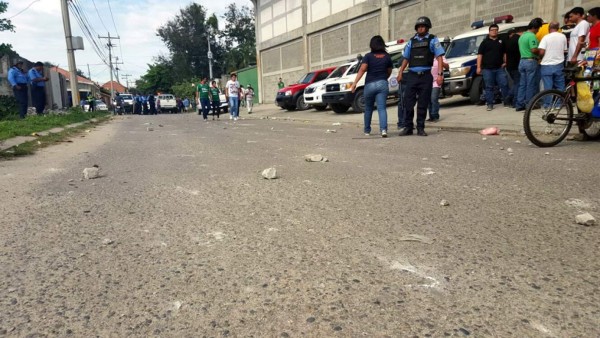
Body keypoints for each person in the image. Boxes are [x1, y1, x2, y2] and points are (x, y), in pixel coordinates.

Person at [396, 16, 445, 136]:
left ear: (427, 28)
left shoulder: (433, 40)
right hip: (412, 76)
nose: (421, 28)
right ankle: (408, 127)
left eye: (423, 26)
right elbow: (406, 58)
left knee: (423, 103)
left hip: (426, 76)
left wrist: (440, 74)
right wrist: (400, 72)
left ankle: (420, 128)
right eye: (419, 27)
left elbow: (439, 58)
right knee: (408, 103)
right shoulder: (411, 41)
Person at [351, 35, 392, 137]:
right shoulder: (387, 56)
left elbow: (362, 69)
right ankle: (383, 130)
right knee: (381, 108)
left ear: (371, 45)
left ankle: (367, 130)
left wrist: (355, 83)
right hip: (382, 83)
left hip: (369, 84)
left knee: (368, 108)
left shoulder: (368, 56)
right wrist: (384, 78)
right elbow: (389, 71)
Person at [477, 24, 510, 111]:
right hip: (487, 69)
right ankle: (490, 104)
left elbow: (504, 53)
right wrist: (478, 67)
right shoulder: (484, 42)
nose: (494, 31)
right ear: (489, 31)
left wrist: (505, 62)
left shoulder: (501, 41)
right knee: (489, 87)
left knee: (504, 84)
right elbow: (480, 55)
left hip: (499, 68)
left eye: (496, 30)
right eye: (492, 30)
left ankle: (507, 102)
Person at [515, 18, 542, 112]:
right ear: (535, 27)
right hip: (530, 61)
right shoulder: (531, 36)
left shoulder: (522, 36)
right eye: (538, 28)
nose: (538, 31)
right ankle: (529, 104)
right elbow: (533, 49)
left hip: (522, 61)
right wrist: (541, 52)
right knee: (531, 84)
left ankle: (519, 104)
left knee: (522, 84)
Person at [538, 21, 567, 108]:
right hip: (559, 64)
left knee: (548, 87)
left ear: (549, 28)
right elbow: (564, 50)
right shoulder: (563, 37)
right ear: (558, 28)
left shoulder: (546, 37)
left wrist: (539, 57)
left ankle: (547, 105)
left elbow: (542, 51)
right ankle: (558, 104)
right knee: (560, 86)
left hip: (546, 64)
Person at [428, 55, 448, 121]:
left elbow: (447, 67)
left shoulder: (441, 56)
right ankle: (431, 116)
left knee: (434, 98)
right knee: (428, 100)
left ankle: (435, 115)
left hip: (437, 81)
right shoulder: (427, 54)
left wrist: (440, 60)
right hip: (427, 81)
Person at [505, 28, 522, 107]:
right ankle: (514, 101)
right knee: (518, 84)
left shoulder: (507, 42)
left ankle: (508, 98)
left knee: (516, 83)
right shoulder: (518, 40)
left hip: (509, 66)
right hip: (517, 65)